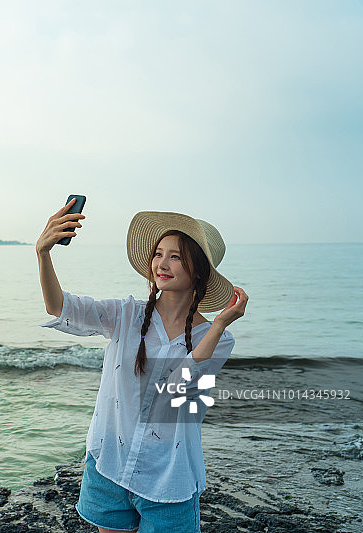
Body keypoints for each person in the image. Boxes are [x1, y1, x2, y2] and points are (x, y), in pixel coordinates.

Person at [35, 200, 248, 533]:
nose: (162, 263)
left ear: (200, 271)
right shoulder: (126, 314)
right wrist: (43, 254)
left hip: (169, 480)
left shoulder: (217, 338)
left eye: (176, 256)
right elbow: (59, 307)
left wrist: (220, 324)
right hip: (109, 465)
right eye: (159, 253)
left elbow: (178, 390)